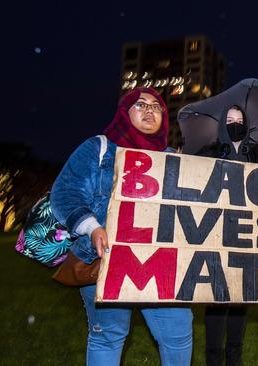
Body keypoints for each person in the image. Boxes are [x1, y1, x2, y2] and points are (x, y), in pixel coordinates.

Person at [50, 87, 193, 366]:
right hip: (105, 260)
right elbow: (65, 193)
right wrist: (91, 227)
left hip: (161, 263)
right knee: (108, 336)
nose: (150, 110)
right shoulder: (98, 148)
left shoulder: (171, 158)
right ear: (124, 113)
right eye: (141, 105)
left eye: (157, 107)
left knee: (178, 335)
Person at [194, 105, 258, 366]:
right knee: (216, 299)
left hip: (248, 235)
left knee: (240, 296)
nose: (235, 124)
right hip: (215, 234)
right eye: (229, 119)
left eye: (239, 120)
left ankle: (235, 357)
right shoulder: (208, 152)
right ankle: (214, 357)